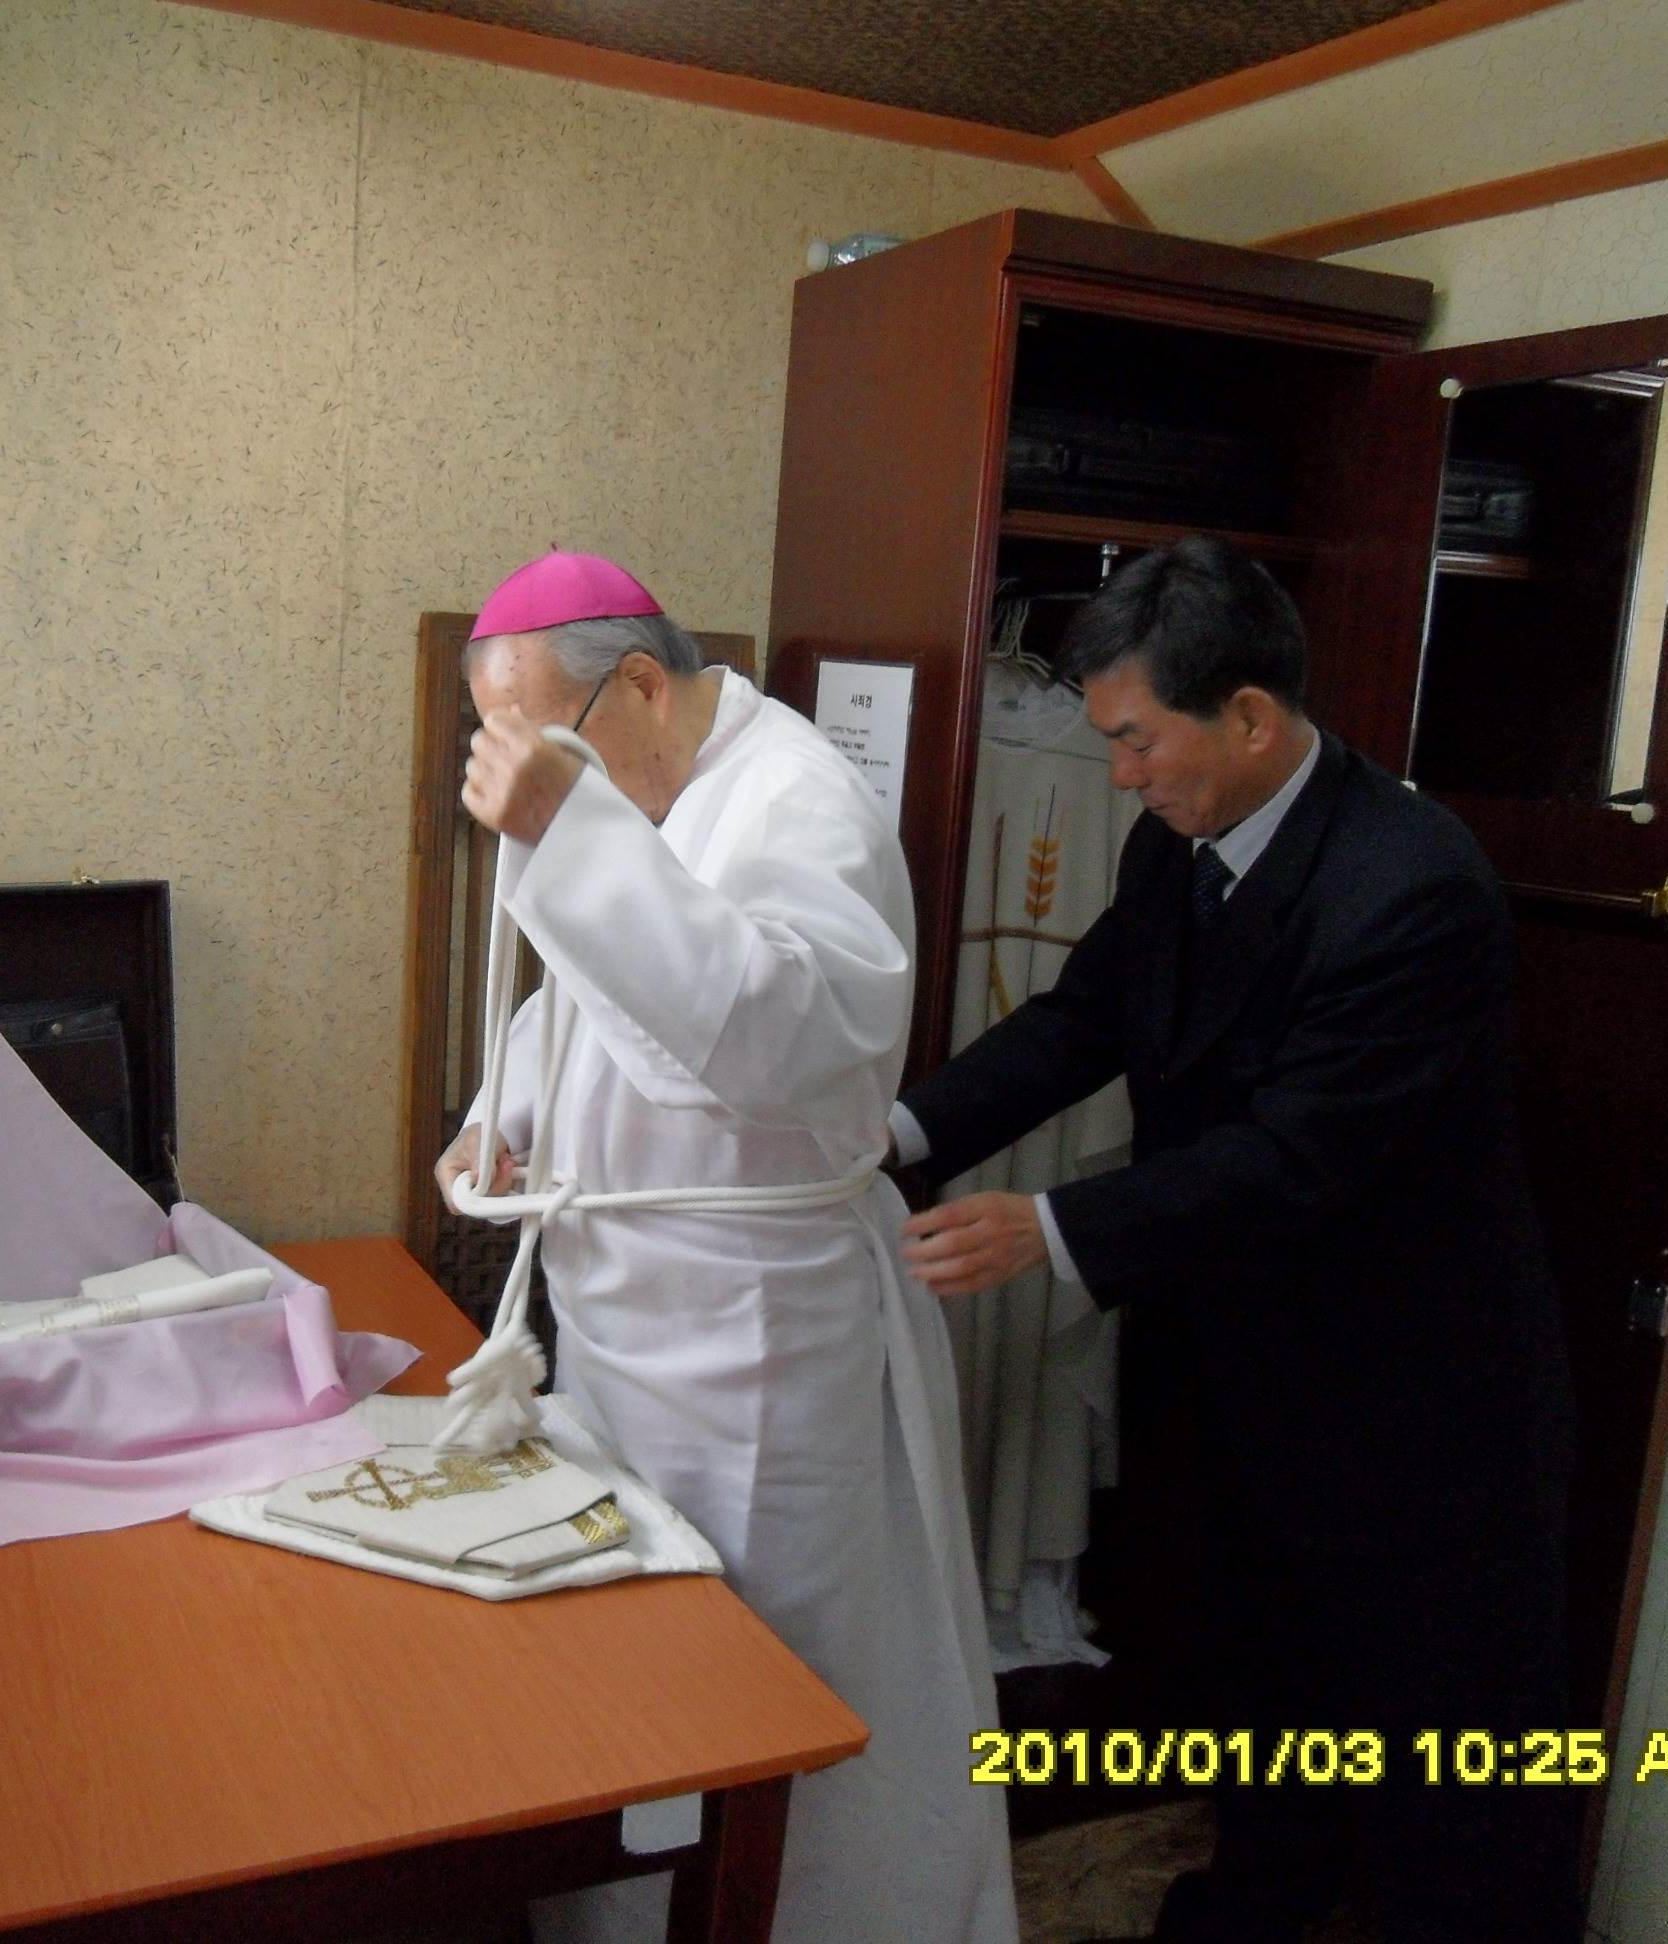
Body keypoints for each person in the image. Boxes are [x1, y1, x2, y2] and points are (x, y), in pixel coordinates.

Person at [892, 536, 1577, 1943]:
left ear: (1250, 716)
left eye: (1137, 741)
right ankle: (1259, 1900)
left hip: (1416, 1389)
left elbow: (1296, 1156)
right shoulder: (1178, 843)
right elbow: (1080, 1021)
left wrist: (1049, 1226)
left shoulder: (1410, 884)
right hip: (1252, 1352)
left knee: (1443, 1746)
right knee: (1267, 1670)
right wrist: (898, 1139)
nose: (1120, 777)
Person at [437, 551, 1019, 1944]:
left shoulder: (800, 799)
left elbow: (794, 1039)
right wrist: (503, 1114)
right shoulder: (663, 783)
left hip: (760, 1348)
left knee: (767, 1679)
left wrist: (572, 835)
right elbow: (584, 992)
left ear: (641, 684)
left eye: (556, 747)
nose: (552, 788)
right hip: (626, 1325)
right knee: (634, 1651)